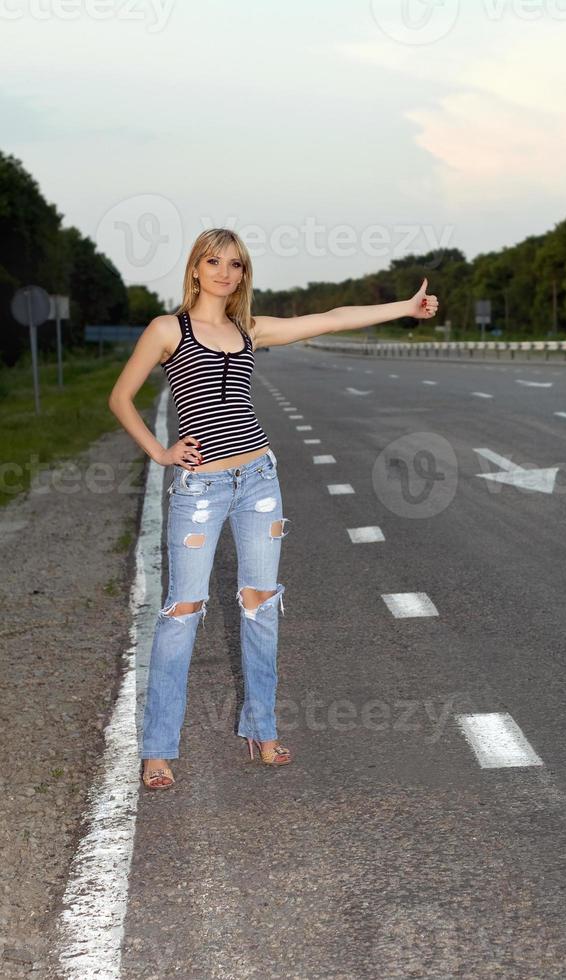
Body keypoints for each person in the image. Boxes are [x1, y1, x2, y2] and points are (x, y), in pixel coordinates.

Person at [108, 227, 439, 789]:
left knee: (260, 604)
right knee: (182, 612)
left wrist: (405, 307)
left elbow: (330, 318)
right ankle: (159, 748)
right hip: (200, 489)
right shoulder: (168, 330)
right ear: (194, 269)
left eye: (234, 264)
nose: (224, 272)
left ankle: (261, 728)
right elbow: (120, 397)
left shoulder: (248, 330)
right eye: (213, 262)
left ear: (243, 273)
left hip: (259, 479)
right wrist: (161, 452)